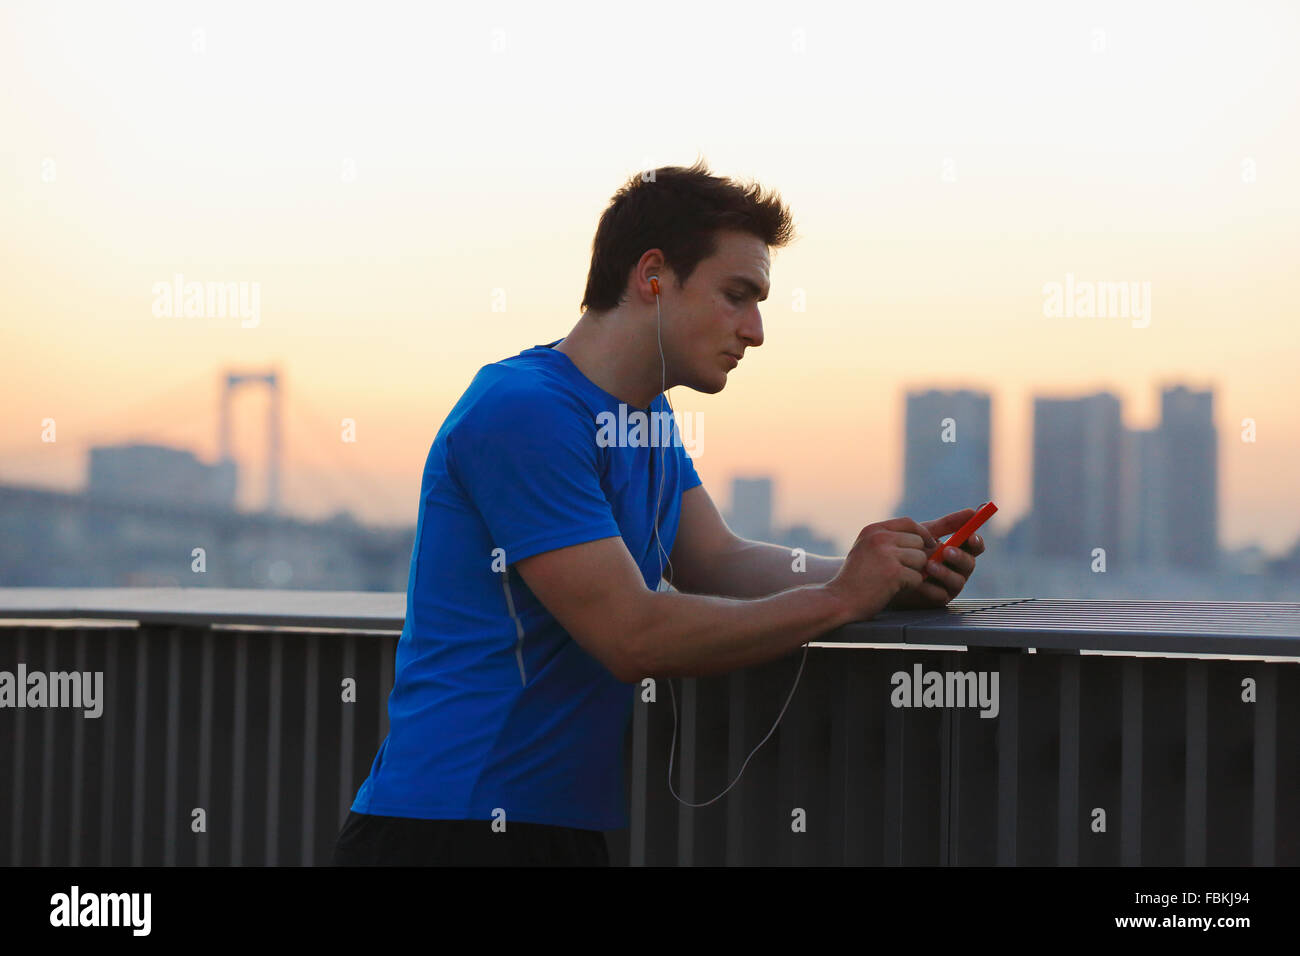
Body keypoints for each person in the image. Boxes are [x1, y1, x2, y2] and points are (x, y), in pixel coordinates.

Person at [331, 159, 984, 867]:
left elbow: (716, 560)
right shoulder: (524, 410)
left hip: (550, 825)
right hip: (444, 828)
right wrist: (836, 599)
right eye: (738, 296)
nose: (757, 330)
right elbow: (630, 635)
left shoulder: (644, 417)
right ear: (652, 276)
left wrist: (883, 575)